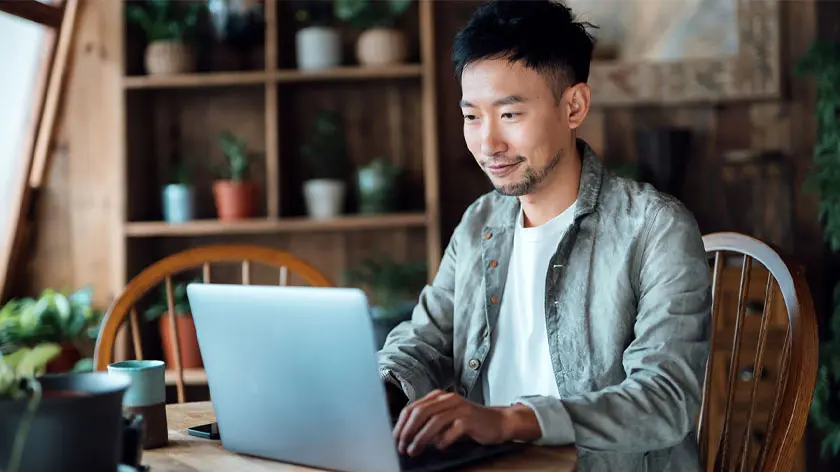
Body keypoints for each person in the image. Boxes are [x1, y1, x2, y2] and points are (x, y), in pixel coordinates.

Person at [377, 1, 712, 471]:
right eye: (472, 117)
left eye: (510, 115)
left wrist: (512, 421)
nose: (487, 143)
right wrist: (375, 391)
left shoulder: (655, 228)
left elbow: (665, 399)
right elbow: (424, 340)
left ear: (573, 106)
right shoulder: (480, 224)